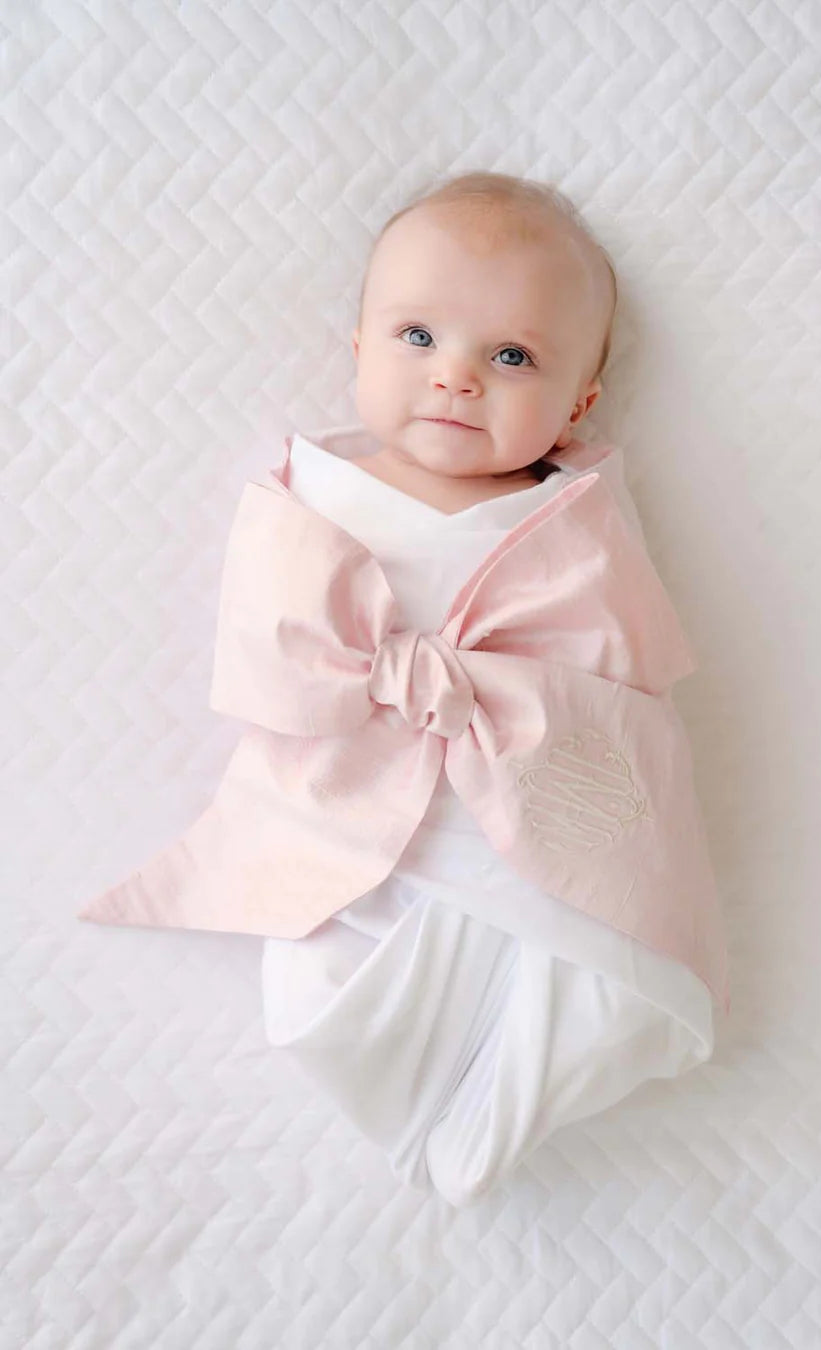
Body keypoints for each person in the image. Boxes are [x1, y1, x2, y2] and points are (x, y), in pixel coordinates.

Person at [258, 172, 719, 1206]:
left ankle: (492, 1117)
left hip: (536, 804)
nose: (456, 377)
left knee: (607, 985)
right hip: (364, 814)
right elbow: (273, 642)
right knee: (304, 985)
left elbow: (625, 667)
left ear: (578, 404)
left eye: (512, 357)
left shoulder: (575, 514)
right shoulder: (315, 491)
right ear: (360, 350)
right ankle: (425, 1109)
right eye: (418, 336)